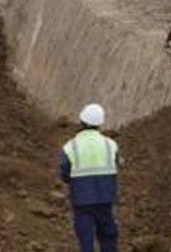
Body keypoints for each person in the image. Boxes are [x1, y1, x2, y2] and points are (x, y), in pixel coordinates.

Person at [59, 103, 120, 252]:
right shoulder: (110, 144)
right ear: (100, 123)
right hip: (105, 197)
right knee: (108, 235)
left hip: (82, 198)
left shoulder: (70, 146)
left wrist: (73, 182)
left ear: (82, 121)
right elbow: (116, 165)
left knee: (86, 238)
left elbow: (65, 172)